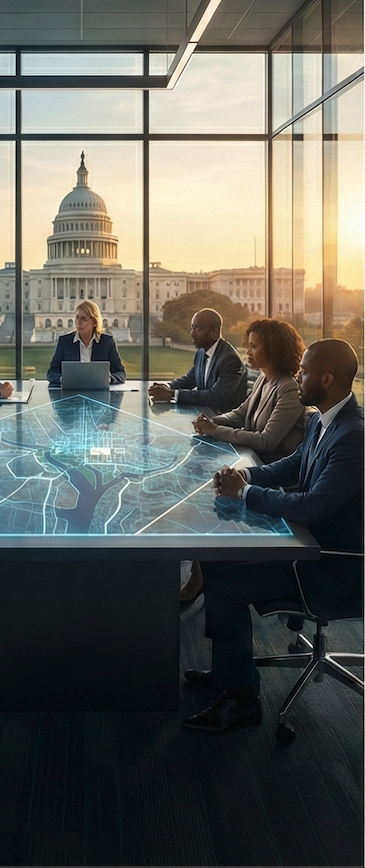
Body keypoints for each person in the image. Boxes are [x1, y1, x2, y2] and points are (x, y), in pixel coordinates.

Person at [183, 338, 363, 735]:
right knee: (215, 557)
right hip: (307, 543)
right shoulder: (323, 417)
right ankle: (229, 669)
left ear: (327, 378)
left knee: (228, 586)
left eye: (304, 371)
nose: (298, 376)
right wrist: (245, 475)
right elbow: (293, 465)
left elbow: (314, 506)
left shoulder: (354, 435)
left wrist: (245, 494)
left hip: (333, 565)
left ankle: (242, 701)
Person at [192, 318, 306, 464]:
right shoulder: (263, 379)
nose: (248, 352)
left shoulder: (289, 388)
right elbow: (240, 414)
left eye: (254, 346)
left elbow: (266, 440)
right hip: (251, 459)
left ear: (274, 350)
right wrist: (211, 422)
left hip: (271, 470)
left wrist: (215, 430)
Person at [148, 308, 247, 412]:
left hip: (223, 421)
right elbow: (190, 379)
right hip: (204, 416)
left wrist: (172, 394)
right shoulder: (201, 352)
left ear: (215, 330)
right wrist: (167, 387)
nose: (192, 333)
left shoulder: (230, 359)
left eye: (198, 328)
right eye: (192, 328)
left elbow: (217, 396)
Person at [47, 300, 126, 386]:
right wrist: (63, 380)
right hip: (71, 394)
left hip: (99, 394)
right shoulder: (64, 342)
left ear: (95, 322)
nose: (78, 322)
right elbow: (52, 373)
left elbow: (120, 373)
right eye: (77, 317)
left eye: (83, 319)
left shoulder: (107, 342)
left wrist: (109, 379)